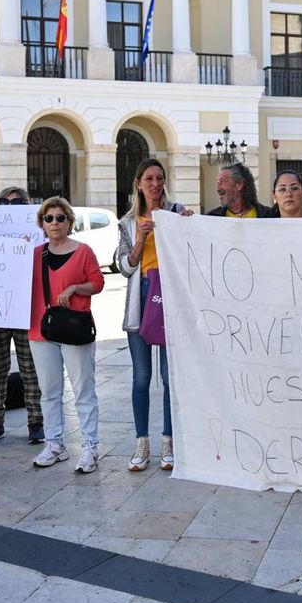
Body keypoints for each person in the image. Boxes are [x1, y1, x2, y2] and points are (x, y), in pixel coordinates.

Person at [117, 158, 190, 472]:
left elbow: (191, 254)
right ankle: (141, 442)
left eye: (160, 178)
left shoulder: (176, 213)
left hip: (171, 297)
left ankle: (169, 443)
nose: (155, 184)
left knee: (169, 377)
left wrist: (189, 226)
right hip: (142, 296)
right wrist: (141, 239)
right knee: (141, 377)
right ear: (138, 183)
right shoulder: (127, 223)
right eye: (149, 178)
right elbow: (124, 267)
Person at [29, 196, 106, 472]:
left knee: (83, 389)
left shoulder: (83, 251)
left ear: (69, 221)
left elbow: (97, 282)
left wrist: (74, 288)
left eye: (60, 217)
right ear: (42, 223)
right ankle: (55, 444)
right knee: (49, 392)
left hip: (75, 329)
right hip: (41, 330)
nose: (54, 223)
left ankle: (90, 446)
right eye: (49, 218)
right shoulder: (35, 254)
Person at [0, 186, 45, 446]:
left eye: (17, 202)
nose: (10, 206)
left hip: (25, 309)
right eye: (4, 203)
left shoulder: (38, 237)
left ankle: (36, 422)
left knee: (30, 369)